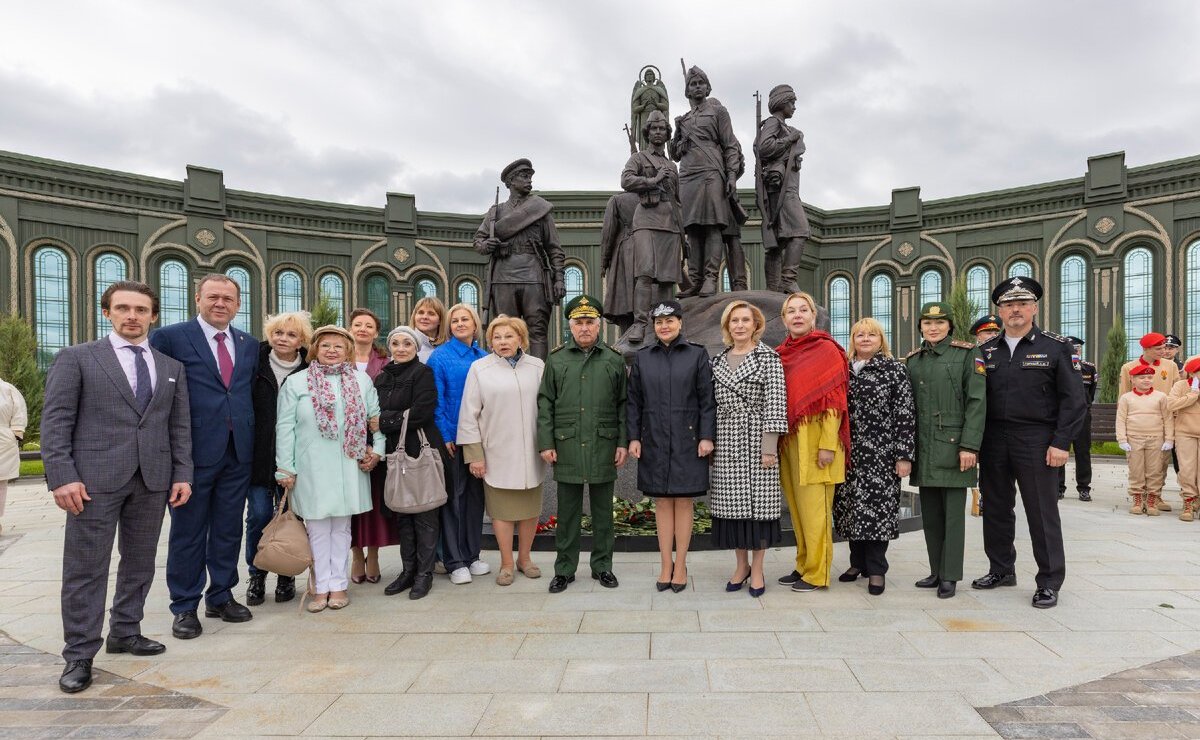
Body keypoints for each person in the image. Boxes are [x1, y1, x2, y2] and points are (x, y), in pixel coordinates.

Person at [43, 281, 192, 693]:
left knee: (140, 562)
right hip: (91, 482)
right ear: (107, 312)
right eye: (123, 308)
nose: (132, 316)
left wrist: (183, 474)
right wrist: (61, 475)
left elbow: (178, 427)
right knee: (86, 568)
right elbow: (55, 422)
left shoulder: (169, 367)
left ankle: (125, 630)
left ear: (153, 316)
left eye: (141, 310)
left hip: (152, 479)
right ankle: (79, 653)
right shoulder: (77, 358)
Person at [150, 273, 258, 639]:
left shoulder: (248, 343)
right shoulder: (170, 337)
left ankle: (221, 595)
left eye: (228, 299)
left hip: (237, 451)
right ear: (198, 299)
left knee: (228, 528)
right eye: (213, 297)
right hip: (191, 454)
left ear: (238, 304)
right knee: (188, 531)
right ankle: (184, 606)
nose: (220, 304)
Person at [974, 276, 1086, 609]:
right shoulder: (986, 350)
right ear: (1000, 311)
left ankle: (1049, 580)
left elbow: (1074, 400)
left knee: (1041, 510)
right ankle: (1001, 568)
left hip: (1037, 439)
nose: (1015, 310)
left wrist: (1060, 442)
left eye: (1022, 303)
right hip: (994, 438)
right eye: (1008, 305)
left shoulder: (1055, 347)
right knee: (995, 508)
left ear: (1034, 308)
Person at [275, 326, 384, 612]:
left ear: (348, 351)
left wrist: (378, 452)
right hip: (312, 466)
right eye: (326, 346)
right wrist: (285, 467)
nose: (332, 350)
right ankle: (319, 586)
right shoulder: (297, 383)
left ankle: (338, 585)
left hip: (349, 466)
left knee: (342, 529)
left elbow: (376, 421)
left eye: (338, 346)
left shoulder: (361, 382)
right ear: (315, 350)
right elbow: (285, 427)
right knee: (318, 528)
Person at [538, 294, 628, 593]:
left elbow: (623, 405)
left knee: (603, 513)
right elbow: (545, 403)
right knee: (568, 514)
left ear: (599, 325)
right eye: (579, 322)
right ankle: (564, 569)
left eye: (590, 322)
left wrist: (623, 442)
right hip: (567, 446)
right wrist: (546, 442)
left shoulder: (614, 359)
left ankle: (603, 566)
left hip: (604, 444)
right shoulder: (557, 358)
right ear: (570, 326)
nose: (585, 328)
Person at [626, 300, 716, 592]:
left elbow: (707, 400)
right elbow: (634, 402)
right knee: (662, 502)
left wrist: (706, 436)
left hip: (688, 440)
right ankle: (666, 563)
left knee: (684, 501)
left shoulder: (697, 355)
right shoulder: (643, 358)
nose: (664, 326)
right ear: (654, 326)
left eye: (670, 320)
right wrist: (634, 437)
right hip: (653, 438)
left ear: (680, 322)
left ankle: (681, 563)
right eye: (659, 322)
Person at [905, 303, 986, 599]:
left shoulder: (966, 354)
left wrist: (970, 445)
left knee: (953, 515)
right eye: (927, 322)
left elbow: (977, 401)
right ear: (921, 327)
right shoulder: (914, 360)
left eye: (940, 322)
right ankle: (936, 570)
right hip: (925, 448)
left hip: (954, 447)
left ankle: (950, 575)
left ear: (950, 326)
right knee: (931, 513)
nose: (933, 327)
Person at [458, 315, 547, 585]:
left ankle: (525, 558)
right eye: (497, 337)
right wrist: (474, 455)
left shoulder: (537, 366)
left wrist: (550, 444)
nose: (503, 342)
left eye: (509, 336)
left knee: (530, 509)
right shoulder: (480, 368)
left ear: (521, 338)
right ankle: (507, 563)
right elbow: (468, 414)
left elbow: (548, 409)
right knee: (501, 511)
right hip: (496, 451)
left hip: (532, 450)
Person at [709, 300, 788, 598]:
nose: (740, 325)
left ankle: (757, 569)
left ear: (756, 325)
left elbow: (776, 404)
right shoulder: (717, 361)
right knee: (733, 511)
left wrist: (770, 447)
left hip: (758, 440)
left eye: (745, 320)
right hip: (727, 439)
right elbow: (712, 404)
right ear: (727, 327)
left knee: (759, 510)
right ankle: (740, 566)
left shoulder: (769, 358)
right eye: (734, 321)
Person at [834, 317, 916, 597]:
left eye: (872, 334)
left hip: (881, 453)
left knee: (878, 511)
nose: (865, 339)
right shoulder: (843, 370)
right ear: (852, 340)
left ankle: (877, 569)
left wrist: (903, 456)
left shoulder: (893, 370)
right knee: (849, 509)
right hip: (848, 453)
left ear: (881, 340)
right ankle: (857, 563)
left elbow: (905, 414)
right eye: (860, 335)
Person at [776, 291, 849, 592]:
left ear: (813, 316)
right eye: (791, 311)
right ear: (783, 319)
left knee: (816, 510)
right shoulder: (782, 352)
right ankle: (803, 563)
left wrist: (828, 446)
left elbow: (835, 401)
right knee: (796, 507)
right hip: (791, 439)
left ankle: (818, 573)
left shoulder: (827, 350)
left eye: (803, 310)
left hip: (818, 438)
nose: (797, 315)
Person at [245, 311, 311, 606]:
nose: (283, 339)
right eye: (278, 333)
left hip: (297, 459)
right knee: (259, 515)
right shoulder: (253, 364)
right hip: (258, 456)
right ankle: (256, 573)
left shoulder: (310, 370)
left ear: (302, 341)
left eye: (291, 334)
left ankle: (287, 574)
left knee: (293, 518)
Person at [376, 326, 447, 599]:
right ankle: (408, 570)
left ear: (416, 348)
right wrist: (388, 418)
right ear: (390, 347)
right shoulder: (381, 379)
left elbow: (422, 411)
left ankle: (424, 574)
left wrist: (385, 420)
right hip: (393, 452)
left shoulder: (423, 373)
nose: (401, 348)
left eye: (408, 343)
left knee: (425, 513)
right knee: (402, 514)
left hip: (420, 449)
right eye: (396, 343)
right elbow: (373, 410)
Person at [473, 158, 567, 359]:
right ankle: (507, 374)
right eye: (524, 176)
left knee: (538, 330)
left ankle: (540, 378)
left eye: (530, 176)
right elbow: (478, 241)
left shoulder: (540, 209)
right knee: (506, 331)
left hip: (534, 275)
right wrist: (486, 245)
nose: (529, 180)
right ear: (510, 182)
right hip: (503, 276)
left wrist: (559, 278)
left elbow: (554, 248)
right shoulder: (495, 212)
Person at [428, 303, 490, 585]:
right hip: (453, 439)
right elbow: (436, 401)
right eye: (455, 321)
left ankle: (472, 554)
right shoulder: (440, 357)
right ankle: (454, 560)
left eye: (466, 319)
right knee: (454, 500)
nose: (460, 324)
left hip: (480, 440)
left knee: (476, 500)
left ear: (475, 325)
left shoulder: (484, 356)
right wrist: (445, 436)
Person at [670, 66, 742, 297]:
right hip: (688, 173)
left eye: (701, 82)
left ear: (708, 87)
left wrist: (731, 175)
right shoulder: (685, 119)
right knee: (693, 228)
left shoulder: (719, 112)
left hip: (711, 171)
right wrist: (677, 132)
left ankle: (711, 278)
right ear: (687, 90)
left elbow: (730, 145)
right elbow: (675, 154)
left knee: (712, 225)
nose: (697, 86)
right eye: (693, 84)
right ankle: (696, 280)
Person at [621, 111, 685, 344]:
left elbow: (678, 199)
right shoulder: (639, 158)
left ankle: (666, 321)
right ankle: (640, 323)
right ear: (648, 133)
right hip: (647, 219)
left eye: (662, 129)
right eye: (654, 129)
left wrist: (682, 229)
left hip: (670, 222)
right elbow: (626, 180)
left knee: (668, 277)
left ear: (668, 134)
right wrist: (653, 180)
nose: (658, 132)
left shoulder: (672, 165)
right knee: (645, 272)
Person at [347, 307, 396, 584]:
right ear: (351, 328)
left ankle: (374, 553)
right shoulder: (337, 359)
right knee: (352, 502)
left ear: (376, 332)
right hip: (345, 443)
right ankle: (356, 554)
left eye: (368, 325)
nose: (363, 329)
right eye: (358, 325)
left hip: (378, 440)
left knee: (375, 501)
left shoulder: (387, 363)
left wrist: (376, 443)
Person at [754, 84, 811, 293]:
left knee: (776, 241)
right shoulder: (773, 123)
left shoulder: (783, 126)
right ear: (782, 102)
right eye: (792, 102)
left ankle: (774, 287)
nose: (794, 107)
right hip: (782, 190)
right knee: (800, 230)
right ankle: (787, 279)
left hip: (787, 187)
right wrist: (790, 139)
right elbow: (764, 148)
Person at [1119, 332, 1179, 512]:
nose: (1164, 351)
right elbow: (1124, 395)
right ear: (1146, 349)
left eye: (1164, 348)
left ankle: (1156, 496)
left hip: (1163, 421)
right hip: (1138, 424)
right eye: (1158, 348)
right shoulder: (1129, 367)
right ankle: (1138, 496)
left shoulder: (1171, 366)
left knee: (1160, 461)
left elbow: (1177, 391)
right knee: (1137, 465)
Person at [968, 314, 1002, 517]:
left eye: (995, 332)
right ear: (978, 336)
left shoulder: (1005, 354)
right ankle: (980, 497)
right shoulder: (972, 355)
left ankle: (992, 498)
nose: (992, 335)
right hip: (979, 418)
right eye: (987, 332)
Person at [1057, 336, 1097, 502]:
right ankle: (1058, 487)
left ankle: (1084, 488)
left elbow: (1091, 394)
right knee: (1058, 449)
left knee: (1082, 452)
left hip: (1082, 415)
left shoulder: (1089, 369)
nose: (1075, 351)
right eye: (1072, 348)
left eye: (1077, 348)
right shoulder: (1058, 367)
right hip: (1061, 415)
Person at [599, 192, 639, 335]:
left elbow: (608, 232)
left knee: (625, 307)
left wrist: (604, 260)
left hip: (625, 255)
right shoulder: (657, 197)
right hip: (652, 252)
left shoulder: (618, 200)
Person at [1169, 356, 1200, 521]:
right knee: (1187, 469)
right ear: (1192, 373)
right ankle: (1188, 501)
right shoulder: (1181, 385)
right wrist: (1193, 395)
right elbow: (1171, 404)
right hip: (1185, 432)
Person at [0, 374, 26, 536]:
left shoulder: (8, 389)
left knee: (0, 481)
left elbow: (19, 412)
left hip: (2, 440)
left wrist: (16, 432)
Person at [630, 66, 669, 152]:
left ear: (654, 77)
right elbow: (635, 109)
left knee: (657, 133)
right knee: (646, 134)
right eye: (647, 74)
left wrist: (656, 104)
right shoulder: (640, 90)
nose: (649, 76)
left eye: (651, 74)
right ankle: (644, 155)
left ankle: (658, 153)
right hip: (644, 117)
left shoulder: (659, 89)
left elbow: (665, 106)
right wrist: (643, 106)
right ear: (644, 77)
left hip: (657, 117)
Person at [409, 296, 448, 362]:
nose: (424, 317)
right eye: (421, 312)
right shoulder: (405, 345)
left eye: (431, 314)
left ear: (440, 320)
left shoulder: (449, 346)